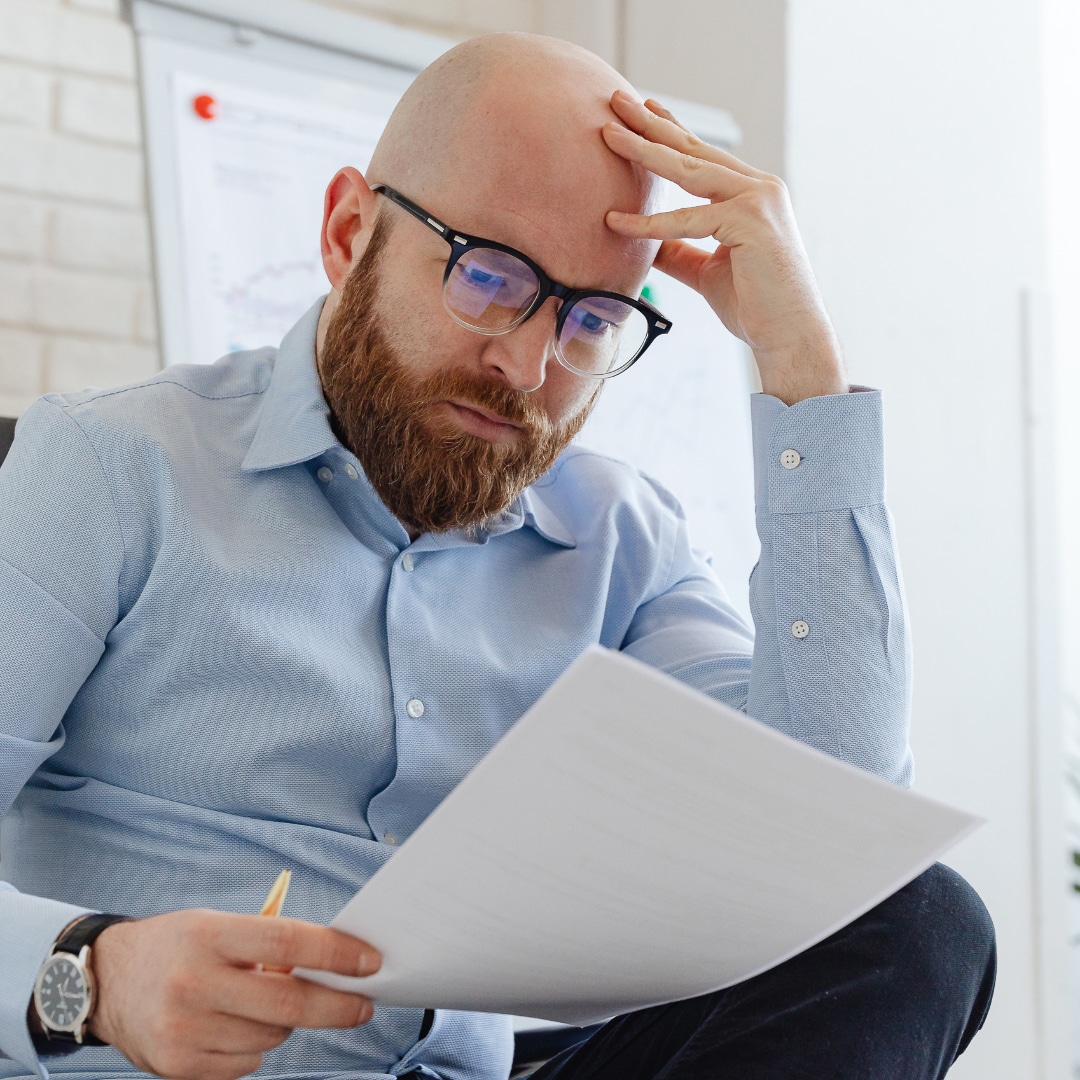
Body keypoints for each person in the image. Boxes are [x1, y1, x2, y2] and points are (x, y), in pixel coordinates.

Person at [0, 31, 994, 1080]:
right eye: (488, 277)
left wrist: (803, 370)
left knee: (915, 923)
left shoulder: (623, 541)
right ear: (347, 234)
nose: (527, 365)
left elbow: (830, 836)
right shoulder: (110, 468)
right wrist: (94, 977)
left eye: (593, 319)